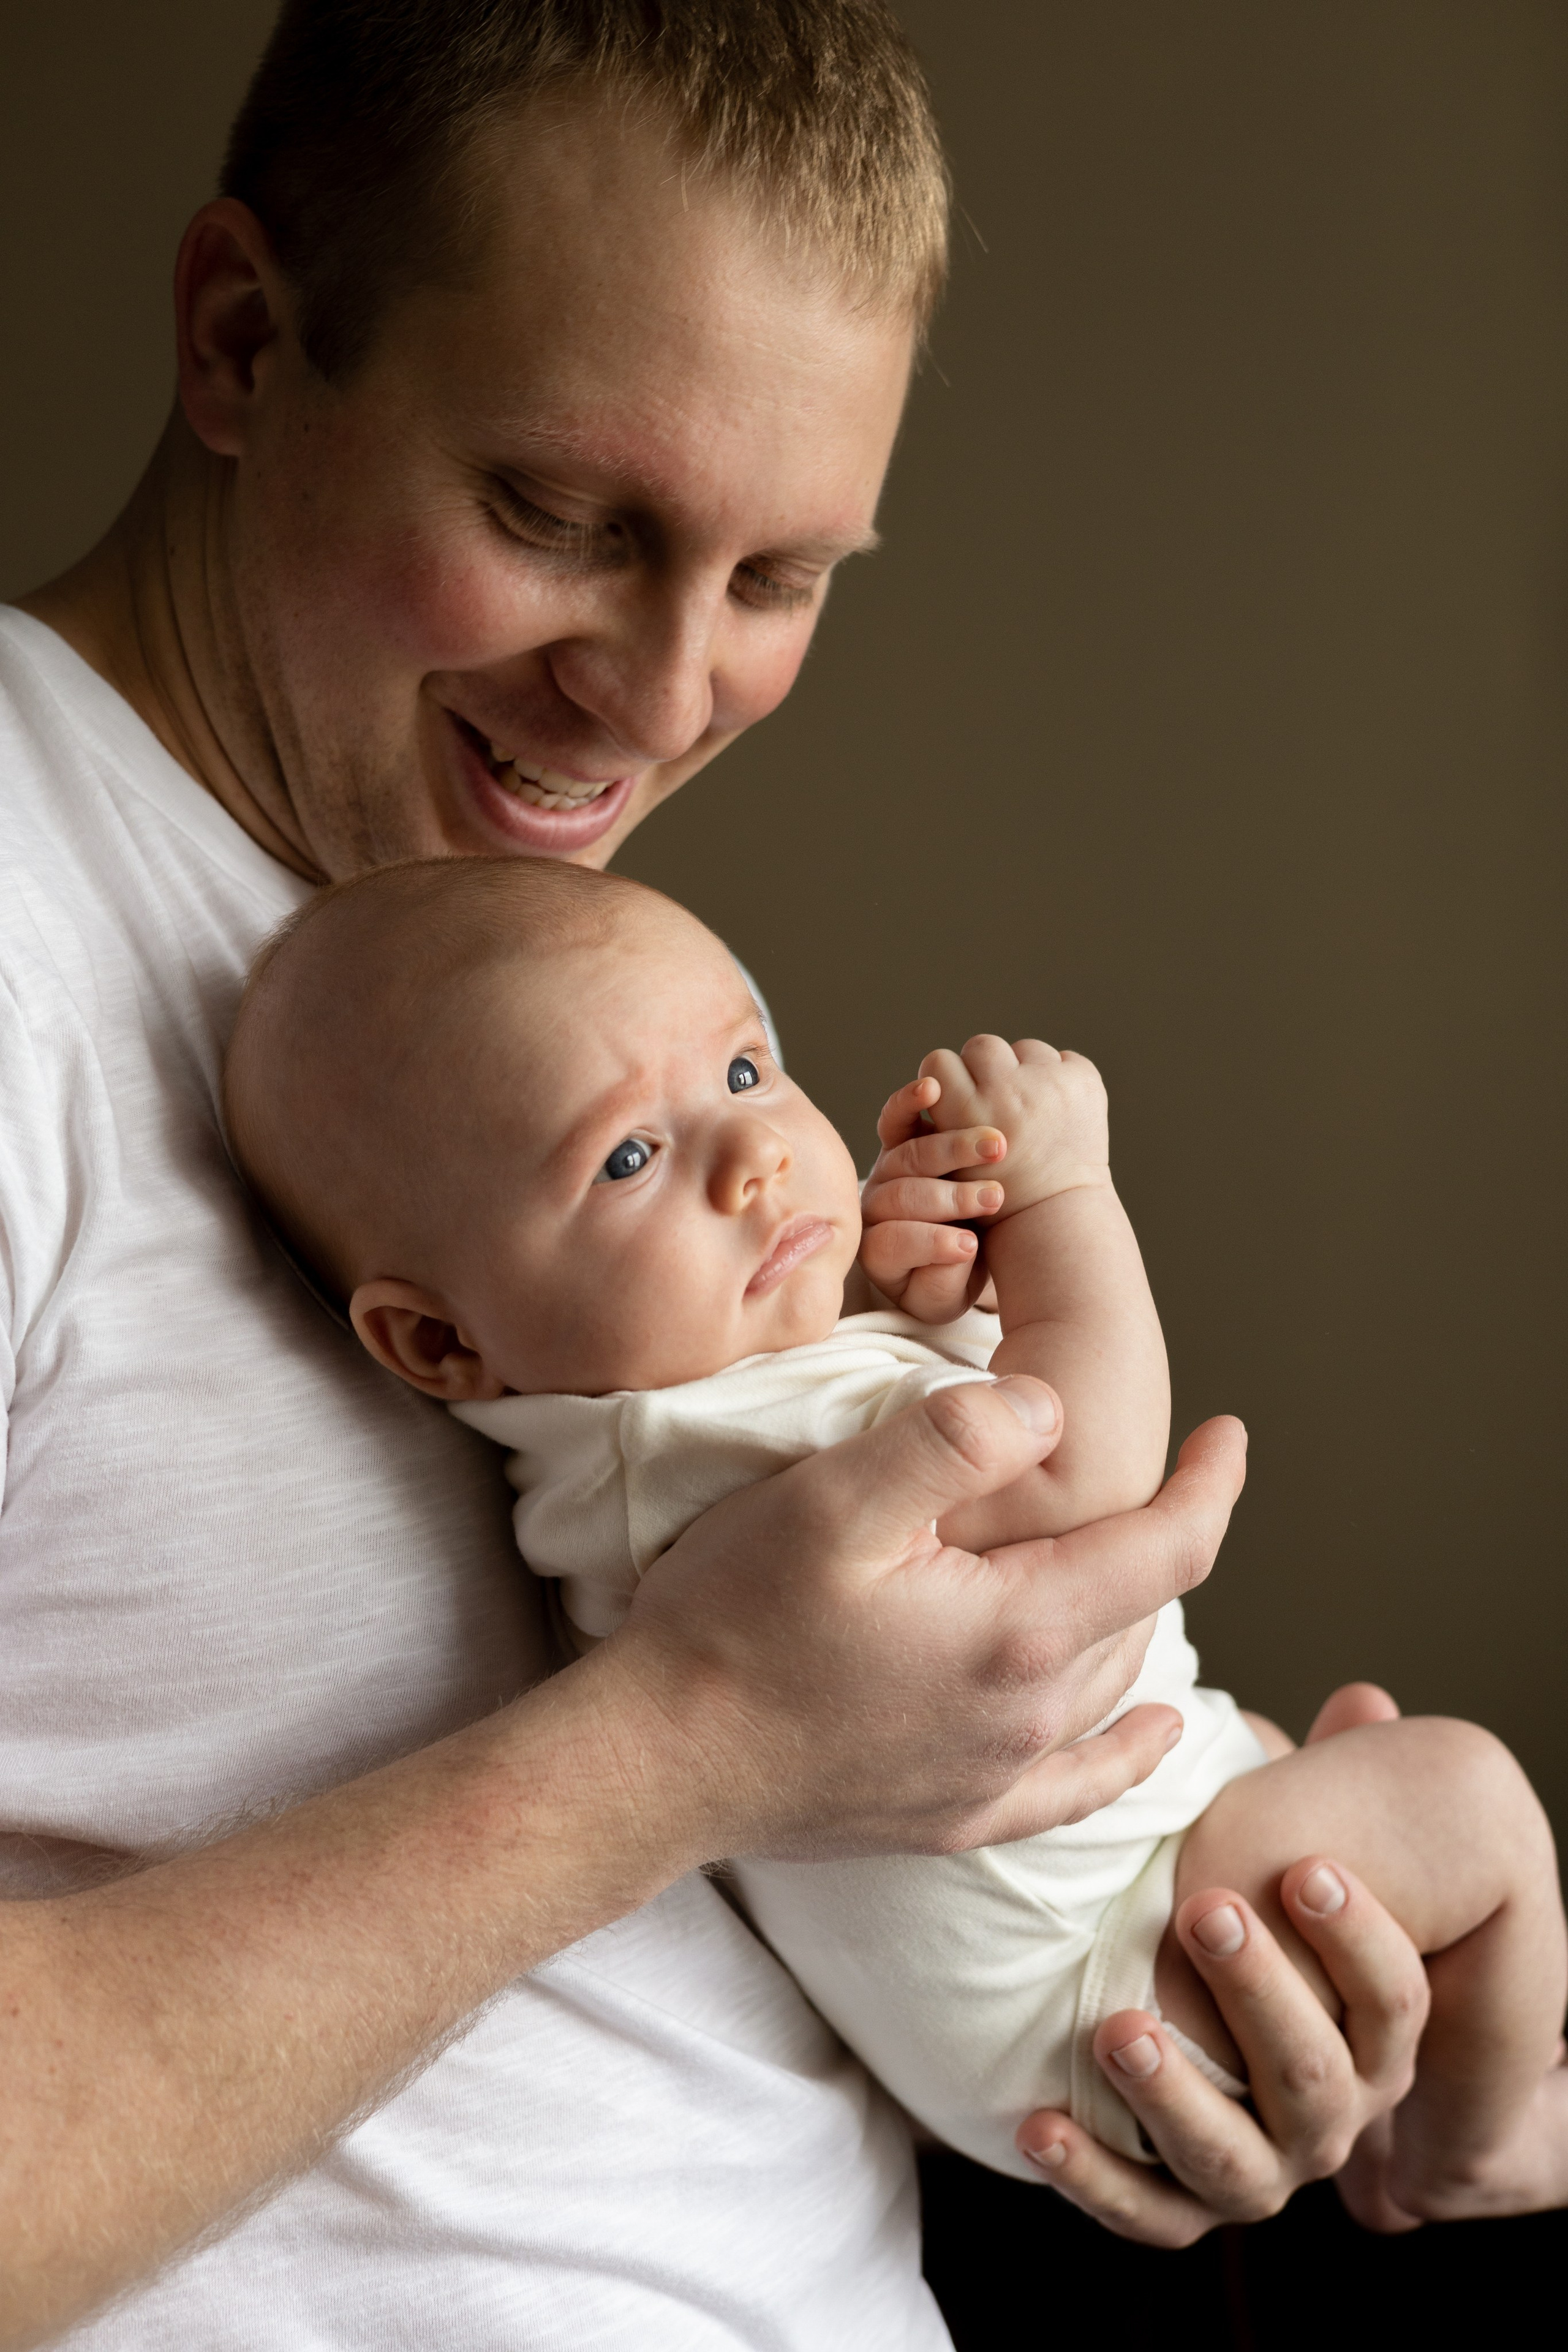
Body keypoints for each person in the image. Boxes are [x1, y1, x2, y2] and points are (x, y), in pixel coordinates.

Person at [0, 4, 1472, 2345]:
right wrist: (692, 1742)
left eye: (781, 577)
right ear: (241, 341)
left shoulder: (501, 979)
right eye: (564, 519)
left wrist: (1179, 1995)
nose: (665, 697)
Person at [223, 852, 1568, 2218]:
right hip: (1114, 1975)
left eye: (746, 1074)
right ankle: (1470, 2146)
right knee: (1466, 1795)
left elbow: (889, 1410)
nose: (751, 1155)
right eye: (627, 1157)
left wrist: (917, 1300)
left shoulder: (636, 1441)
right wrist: (1059, 1206)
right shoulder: (712, 1445)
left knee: (1338, 1779)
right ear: (440, 1340)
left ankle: (1432, 2093)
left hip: (1068, 1985)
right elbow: (1081, 1484)